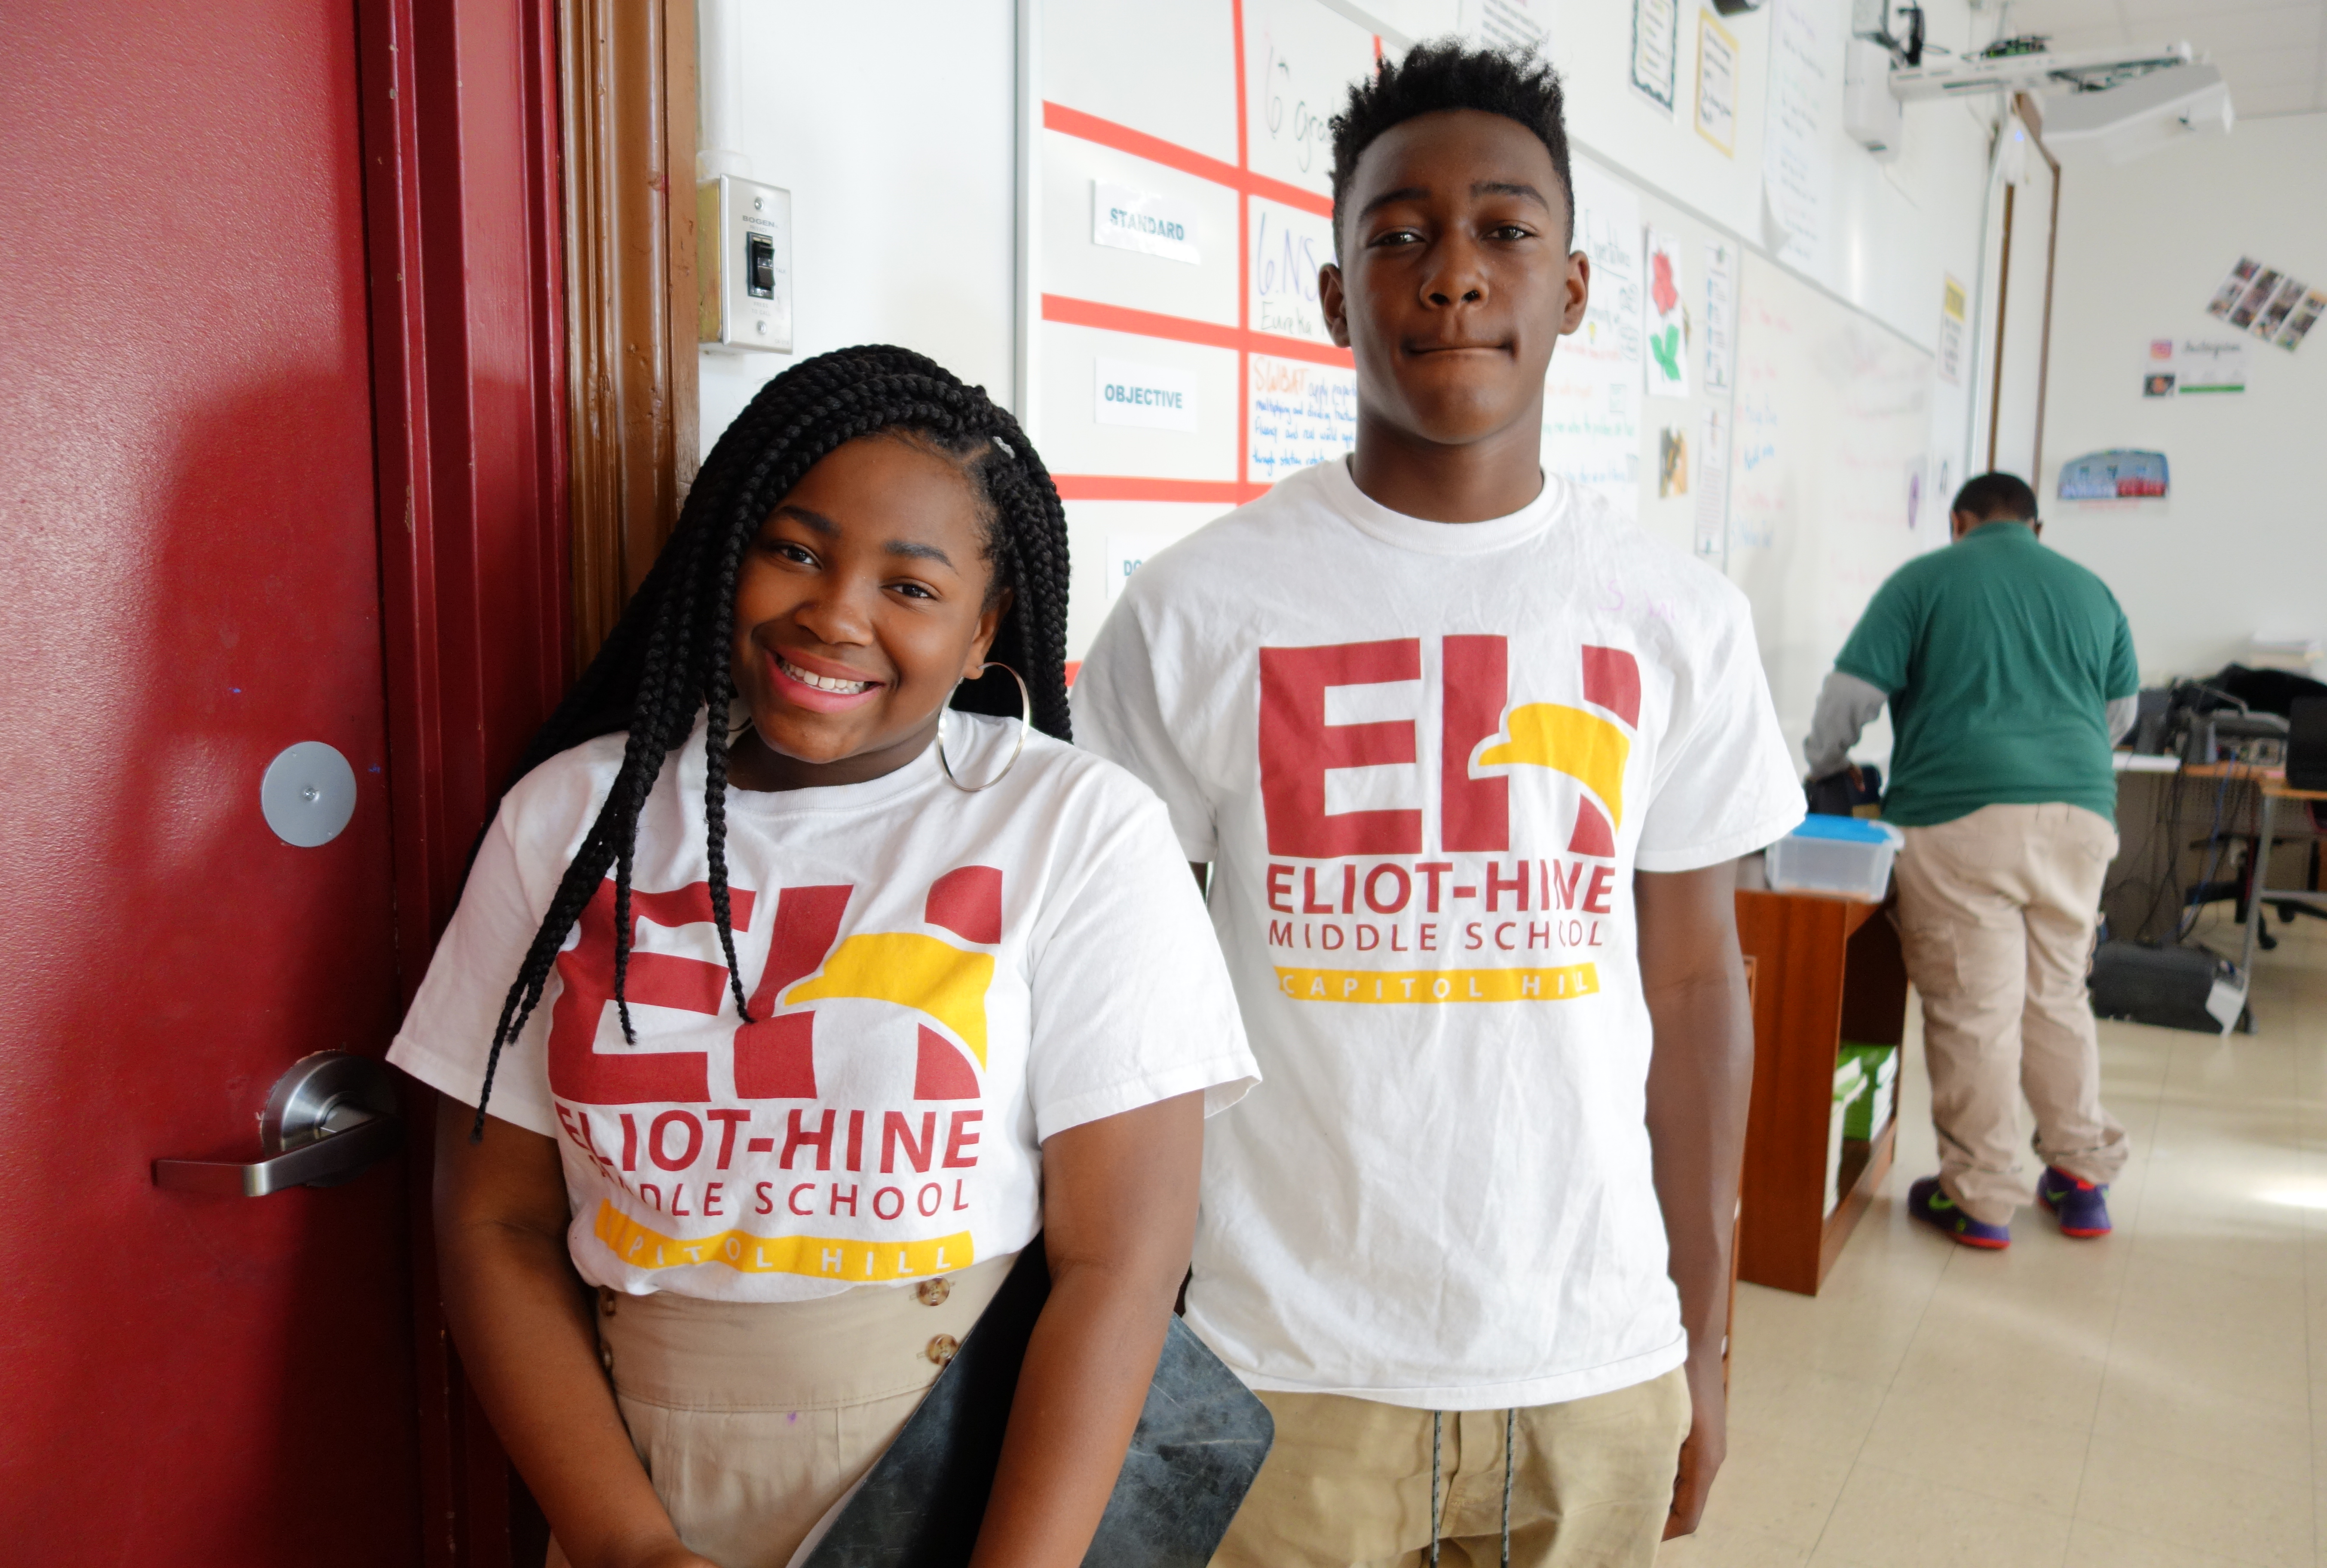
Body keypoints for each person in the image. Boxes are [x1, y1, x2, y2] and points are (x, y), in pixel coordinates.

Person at [1074, 44, 1802, 1568]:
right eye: (1397, 234)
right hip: (1282, 1361)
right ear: (1337, 298)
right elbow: (1122, 1015)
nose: (1453, 276)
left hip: (1592, 1356)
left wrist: (1706, 1339)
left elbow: (1691, 981)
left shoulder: (1675, 615)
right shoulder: (1198, 611)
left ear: (1575, 286)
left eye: (1504, 230)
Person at [389, 347, 1258, 1568]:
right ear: (725, 550)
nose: (837, 613)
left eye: (911, 587)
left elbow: (1123, 1259)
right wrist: (625, 1542)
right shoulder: (572, 821)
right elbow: (495, 1223)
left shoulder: (1074, 826)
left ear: (981, 634)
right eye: (795, 550)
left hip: (974, 1482)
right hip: (641, 1481)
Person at [1805, 471, 2138, 1249]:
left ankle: (1982, 1199)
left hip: (1958, 818)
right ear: (2036, 528)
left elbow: (1849, 695)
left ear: (1960, 522)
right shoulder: (2092, 592)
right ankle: (2083, 1175)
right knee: (2056, 994)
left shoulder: (1926, 579)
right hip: (2080, 814)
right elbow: (2117, 715)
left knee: (1975, 1010)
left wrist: (1822, 769)